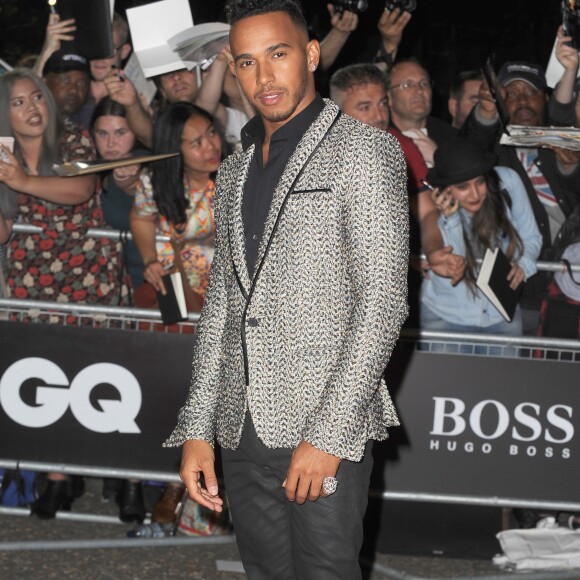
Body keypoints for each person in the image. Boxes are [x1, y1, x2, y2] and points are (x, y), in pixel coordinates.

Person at [163, 1, 409, 578]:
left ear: (311, 54)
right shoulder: (235, 168)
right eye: (246, 62)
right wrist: (199, 426)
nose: (263, 77)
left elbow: (382, 304)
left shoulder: (365, 152)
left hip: (322, 425)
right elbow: (224, 305)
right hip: (240, 426)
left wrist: (329, 434)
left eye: (278, 54)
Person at [0, 69, 129, 518]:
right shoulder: (2, 155)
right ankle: (57, 477)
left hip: (89, 271)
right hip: (31, 275)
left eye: (36, 97)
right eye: (18, 102)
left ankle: (125, 473)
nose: (32, 108)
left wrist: (21, 181)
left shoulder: (73, 139)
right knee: (49, 373)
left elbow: (81, 189)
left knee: (100, 369)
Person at [129, 100, 224, 525]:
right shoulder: (155, 181)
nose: (210, 146)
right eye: (195, 142)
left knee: (217, 397)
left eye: (211, 134)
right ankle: (176, 486)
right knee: (180, 394)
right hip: (176, 295)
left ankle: (200, 501)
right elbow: (141, 218)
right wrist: (150, 258)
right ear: (175, 149)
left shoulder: (238, 174)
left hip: (225, 300)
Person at [460, 59, 580, 334]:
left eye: (530, 92)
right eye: (510, 94)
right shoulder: (493, 151)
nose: (522, 101)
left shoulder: (562, 140)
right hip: (515, 288)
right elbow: (468, 153)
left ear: (546, 99)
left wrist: (571, 167)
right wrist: (487, 112)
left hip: (569, 286)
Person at [329, 62, 465, 296]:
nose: (379, 116)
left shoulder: (401, 146)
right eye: (365, 107)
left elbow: (426, 210)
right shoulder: (314, 152)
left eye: (382, 104)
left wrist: (432, 250)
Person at [421, 137, 542, 336]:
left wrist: (523, 265)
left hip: (502, 315)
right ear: (446, 188)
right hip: (445, 317)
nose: (475, 194)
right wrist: (451, 220)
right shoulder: (432, 207)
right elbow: (455, 264)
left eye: (480, 181)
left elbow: (531, 237)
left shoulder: (507, 182)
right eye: (463, 187)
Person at [90, 96, 146, 292]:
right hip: (109, 284)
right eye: (102, 133)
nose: (111, 143)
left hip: (148, 281)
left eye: (120, 133)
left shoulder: (145, 161)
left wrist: (126, 179)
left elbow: (130, 181)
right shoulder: (91, 169)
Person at [387, 57, 457, 167]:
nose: (419, 91)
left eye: (424, 84)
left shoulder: (452, 139)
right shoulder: (377, 139)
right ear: (389, 97)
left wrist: (439, 158)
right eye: (408, 85)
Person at [42, 49, 91, 128]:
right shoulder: (26, 126)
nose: (73, 90)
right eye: (65, 80)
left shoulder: (85, 128)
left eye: (81, 83)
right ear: (44, 82)